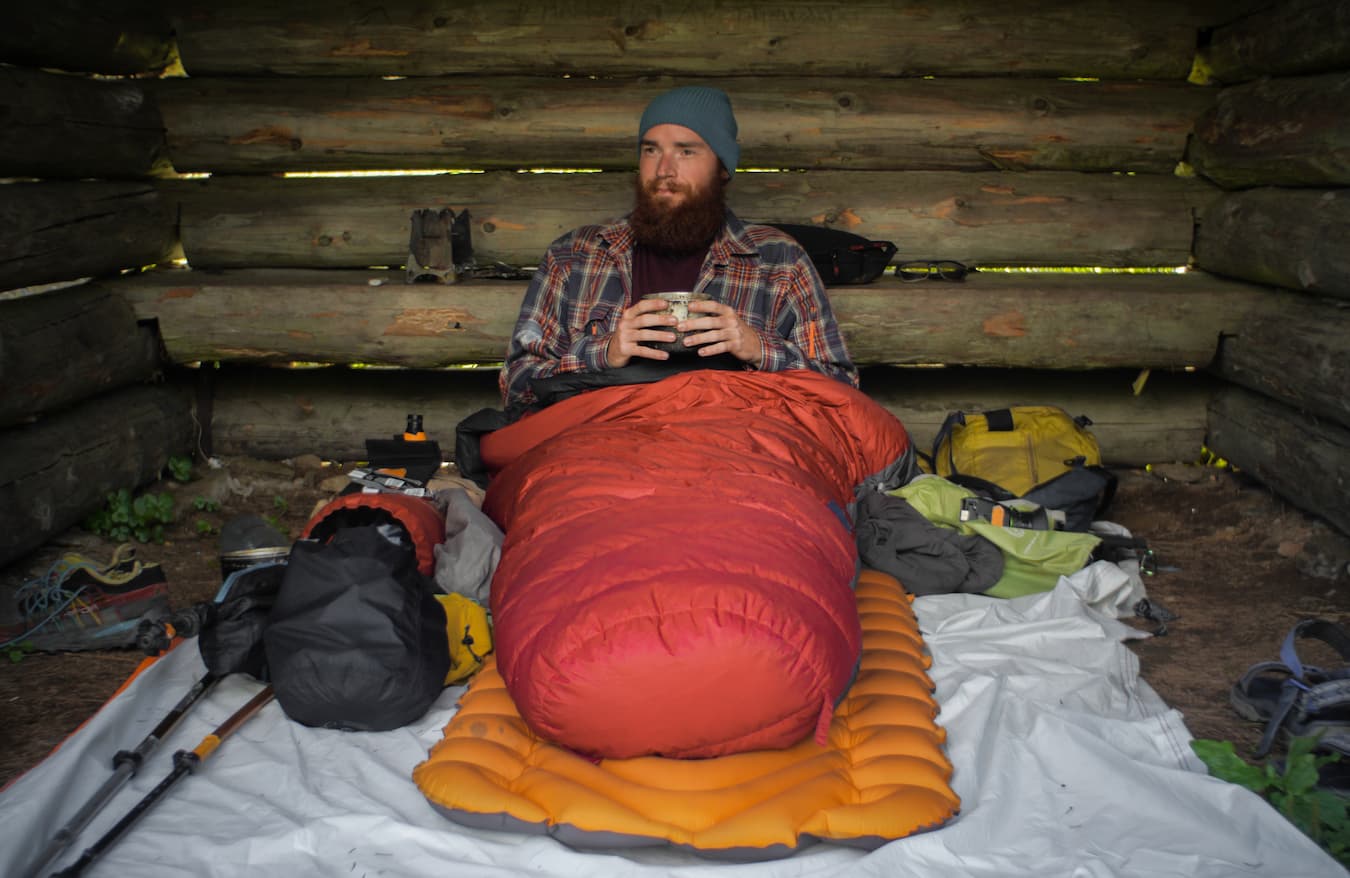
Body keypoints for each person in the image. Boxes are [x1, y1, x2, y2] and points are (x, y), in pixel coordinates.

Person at [499, 85, 858, 410]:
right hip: (601, 454)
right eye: (651, 150)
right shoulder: (574, 257)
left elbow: (843, 391)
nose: (663, 169)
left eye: (686, 151)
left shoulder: (779, 260)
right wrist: (604, 352)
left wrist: (757, 348)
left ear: (722, 167)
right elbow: (516, 387)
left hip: (732, 457)